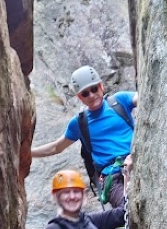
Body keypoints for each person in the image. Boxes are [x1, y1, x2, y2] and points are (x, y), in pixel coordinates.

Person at [31, 65, 138, 207]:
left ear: (101, 86)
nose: (92, 95)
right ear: (80, 97)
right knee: (126, 209)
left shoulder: (120, 101)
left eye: (94, 89)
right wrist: (27, 153)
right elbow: (56, 147)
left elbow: (143, 98)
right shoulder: (79, 123)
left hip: (136, 161)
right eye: (85, 93)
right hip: (112, 176)